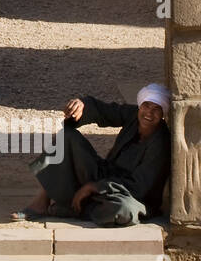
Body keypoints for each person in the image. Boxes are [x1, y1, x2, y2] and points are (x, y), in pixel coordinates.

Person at [12, 84, 171, 226]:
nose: (149, 113)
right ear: (140, 106)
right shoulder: (133, 115)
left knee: (124, 210)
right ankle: (42, 201)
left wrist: (94, 187)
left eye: (156, 109)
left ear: (163, 113)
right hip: (106, 174)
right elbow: (104, 111)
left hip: (132, 195)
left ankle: (75, 209)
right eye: (146, 105)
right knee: (67, 137)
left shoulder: (161, 142)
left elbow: (140, 187)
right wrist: (83, 106)